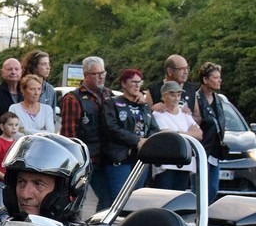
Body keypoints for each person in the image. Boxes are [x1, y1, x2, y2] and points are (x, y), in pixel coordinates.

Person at [60, 56, 114, 211]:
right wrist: (76, 163)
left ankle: (99, 224)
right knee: (76, 199)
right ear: (85, 75)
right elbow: (69, 136)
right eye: (96, 74)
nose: (101, 77)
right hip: (84, 159)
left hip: (105, 158)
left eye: (103, 73)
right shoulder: (73, 98)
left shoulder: (109, 95)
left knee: (108, 199)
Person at [101, 68, 155, 203]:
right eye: (133, 82)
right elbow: (111, 128)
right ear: (124, 83)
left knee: (137, 199)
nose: (137, 86)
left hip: (140, 159)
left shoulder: (144, 106)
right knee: (119, 199)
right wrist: (137, 140)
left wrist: (147, 141)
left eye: (140, 82)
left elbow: (154, 128)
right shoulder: (112, 103)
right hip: (119, 158)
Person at [149, 80, 203, 191]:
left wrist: (178, 133)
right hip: (166, 163)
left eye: (178, 95)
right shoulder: (158, 114)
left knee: (179, 194)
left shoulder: (184, 113)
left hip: (184, 162)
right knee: (164, 193)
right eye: (172, 95)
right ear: (163, 97)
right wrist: (187, 133)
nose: (176, 98)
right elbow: (167, 135)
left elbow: (199, 134)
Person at [193, 62, 228, 203]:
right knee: (199, 189)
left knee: (213, 190)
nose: (220, 80)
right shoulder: (195, 98)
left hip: (215, 150)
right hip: (201, 149)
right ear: (205, 80)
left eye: (220, 77)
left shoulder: (218, 99)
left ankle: (206, 213)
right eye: (216, 77)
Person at [0, 58, 23, 138]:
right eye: (9, 69)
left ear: (21, 72)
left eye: (16, 69)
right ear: (2, 72)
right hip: (1, 141)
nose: (13, 72)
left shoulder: (26, 93)